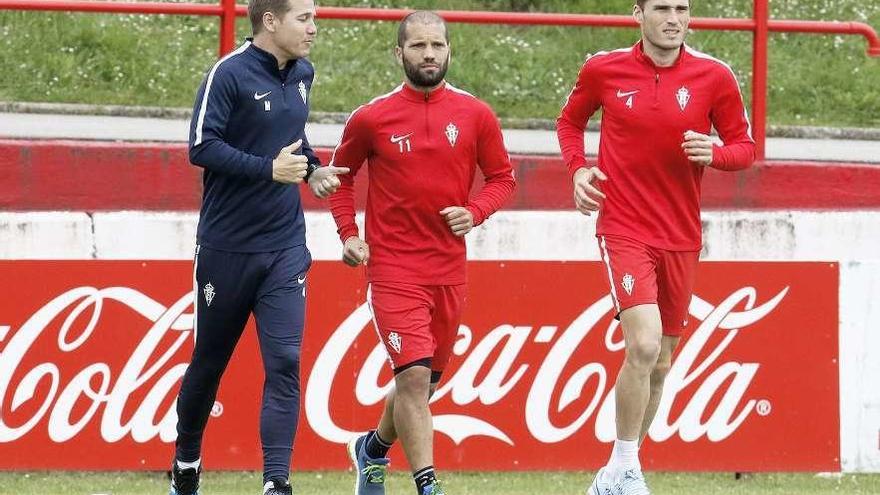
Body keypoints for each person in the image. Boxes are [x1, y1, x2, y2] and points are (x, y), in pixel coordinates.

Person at [556, 0, 755, 494]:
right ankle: (626, 469)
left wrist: (718, 153)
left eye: (682, 8)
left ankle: (616, 474)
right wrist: (578, 170)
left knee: (661, 362)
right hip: (623, 227)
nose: (673, 18)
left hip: (681, 234)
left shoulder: (715, 76)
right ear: (637, 13)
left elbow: (744, 148)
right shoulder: (603, 69)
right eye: (661, 7)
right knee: (643, 344)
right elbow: (569, 123)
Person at [327, 11, 516, 495]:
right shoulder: (372, 117)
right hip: (392, 269)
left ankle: (371, 449)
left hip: (449, 270)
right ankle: (428, 485)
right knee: (411, 378)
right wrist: (349, 235)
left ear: (450, 51)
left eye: (437, 45)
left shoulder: (476, 115)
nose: (428, 54)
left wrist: (475, 212)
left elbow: (502, 179)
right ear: (399, 54)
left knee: (423, 385)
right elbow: (339, 179)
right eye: (418, 46)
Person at [170, 0, 348, 494]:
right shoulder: (227, 74)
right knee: (209, 363)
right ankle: (186, 462)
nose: (315, 27)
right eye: (304, 18)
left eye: (314, 17)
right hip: (226, 248)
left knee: (286, 360)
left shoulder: (304, 72)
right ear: (270, 21)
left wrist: (314, 170)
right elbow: (201, 147)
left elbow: (293, 140)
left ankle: (276, 483)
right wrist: (267, 169)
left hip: (285, 245)